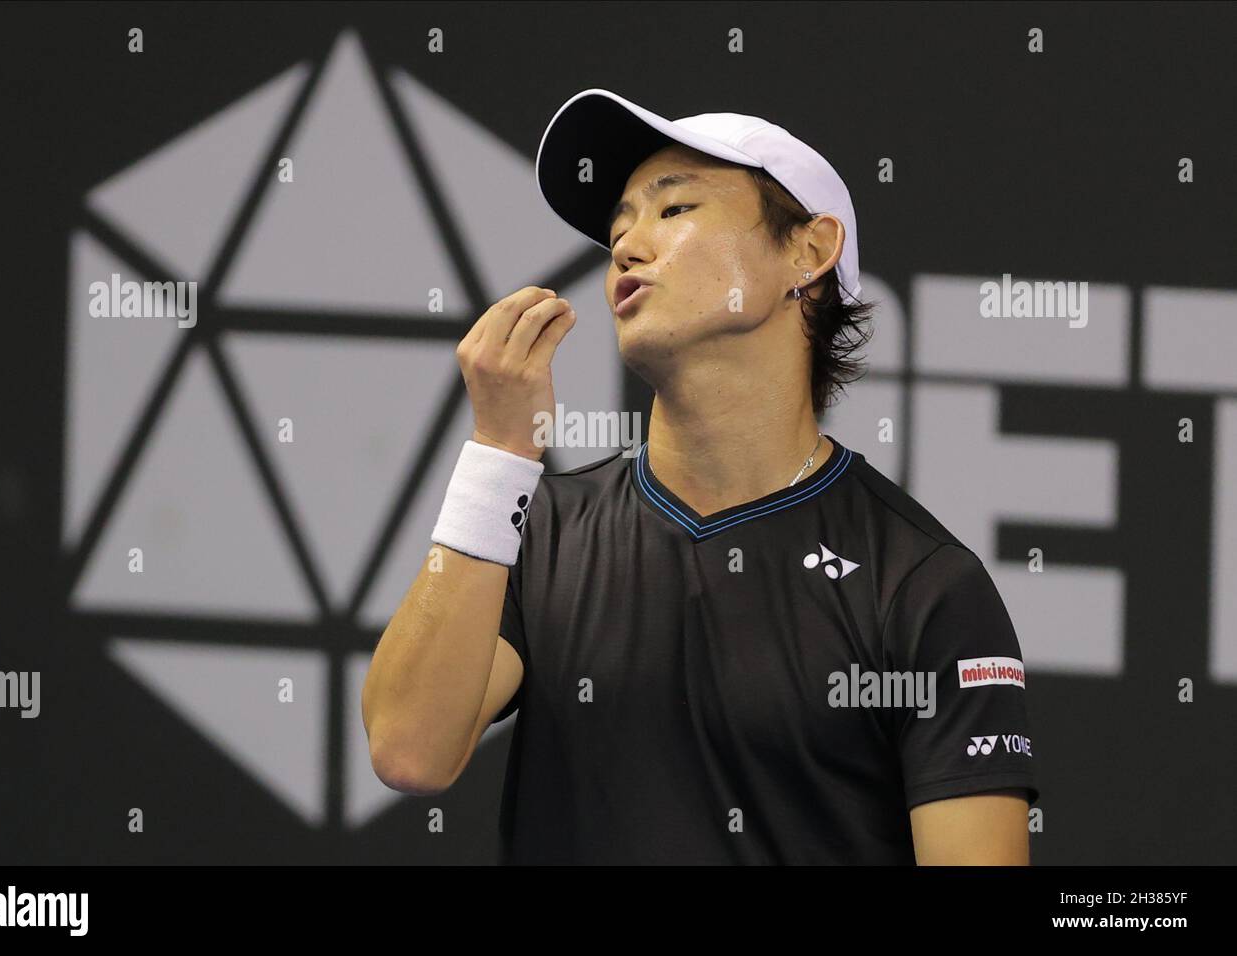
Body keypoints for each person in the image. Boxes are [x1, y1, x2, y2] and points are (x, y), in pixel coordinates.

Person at [362, 89, 1039, 865]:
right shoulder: (537, 527)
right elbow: (407, 751)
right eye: (619, 226)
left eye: (674, 210)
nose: (626, 245)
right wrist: (499, 453)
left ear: (808, 253)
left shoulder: (923, 584)